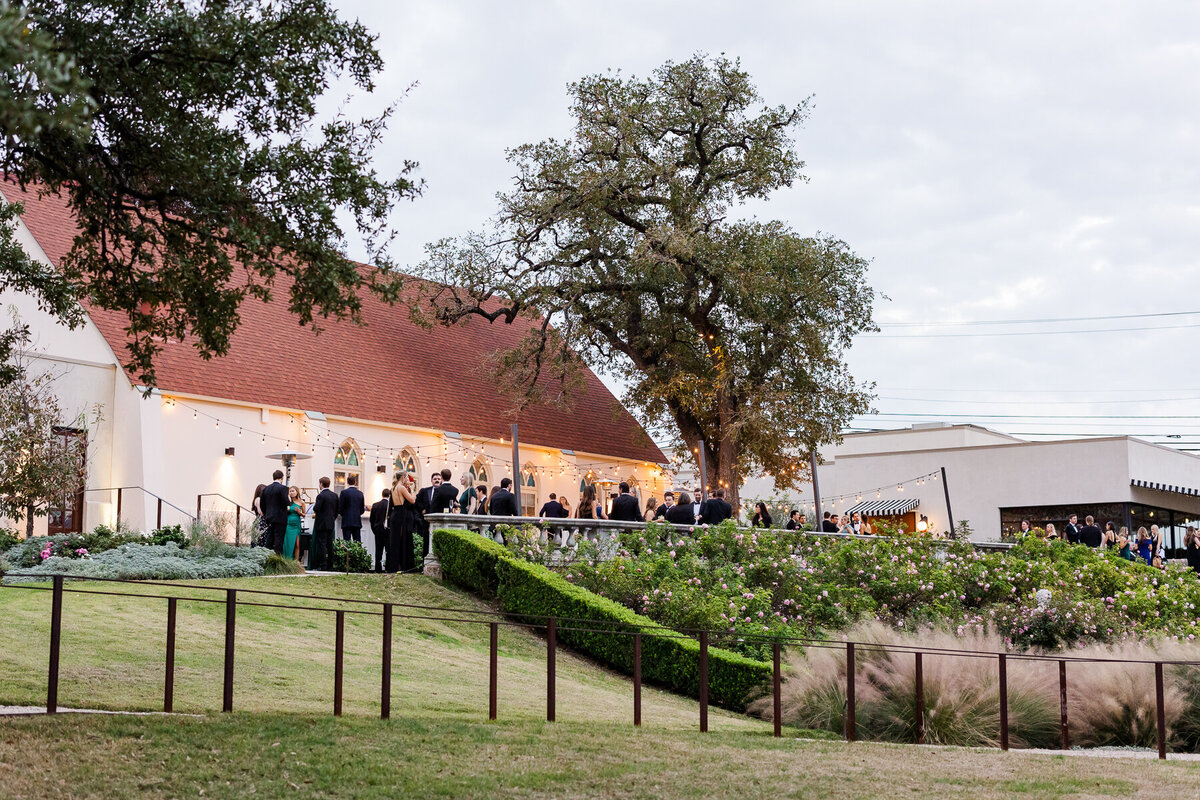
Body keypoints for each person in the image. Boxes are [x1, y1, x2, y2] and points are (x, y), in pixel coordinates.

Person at [387, 474, 418, 573]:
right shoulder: (401, 487)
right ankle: (405, 566)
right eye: (406, 478)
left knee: (395, 541)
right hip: (401, 514)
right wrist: (412, 489)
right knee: (404, 539)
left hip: (395, 514)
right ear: (402, 477)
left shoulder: (393, 488)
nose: (408, 480)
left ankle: (394, 566)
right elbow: (412, 500)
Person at [310, 477, 338, 571]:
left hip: (321, 523)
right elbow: (336, 511)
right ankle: (330, 565)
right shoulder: (334, 495)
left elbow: (316, 508)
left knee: (322, 544)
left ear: (321, 484)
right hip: (331, 523)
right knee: (330, 545)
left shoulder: (321, 496)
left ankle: (322, 565)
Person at [259, 470, 289, 554]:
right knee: (279, 539)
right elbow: (286, 502)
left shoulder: (266, 489)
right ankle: (277, 558)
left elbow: (262, 504)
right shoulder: (283, 488)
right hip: (280, 517)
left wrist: (266, 514)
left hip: (269, 517)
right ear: (282, 478)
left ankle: (267, 556)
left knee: (270, 538)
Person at [338, 474, 365, 543]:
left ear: (347, 482)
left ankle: (348, 554)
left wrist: (343, 514)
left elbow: (340, 507)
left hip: (346, 521)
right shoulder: (360, 493)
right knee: (357, 543)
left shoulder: (344, 492)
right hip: (357, 521)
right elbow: (362, 509)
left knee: (347, 543)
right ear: (355, 482)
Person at [369, 488, 391, 572]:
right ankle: (388, 567)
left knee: (378, 550)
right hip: (388, 531)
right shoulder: (390, 506)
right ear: (389, 496)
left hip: (378, 530)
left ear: (382, 495)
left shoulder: (375, 505)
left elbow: (372, 520)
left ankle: (378, 568)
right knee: (388, 550)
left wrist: (374, 530)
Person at [283, 486, 305, 561]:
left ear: (297, 492)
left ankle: (296, 562)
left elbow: (305, 514)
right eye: (290, 491)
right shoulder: (287, 502)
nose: (291, 492)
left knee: (297, 544)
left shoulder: (301, 502)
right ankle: (287, 559)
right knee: (287, 542)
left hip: (296, 524)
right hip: (288, 523)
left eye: (293, 491)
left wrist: (299, 512)